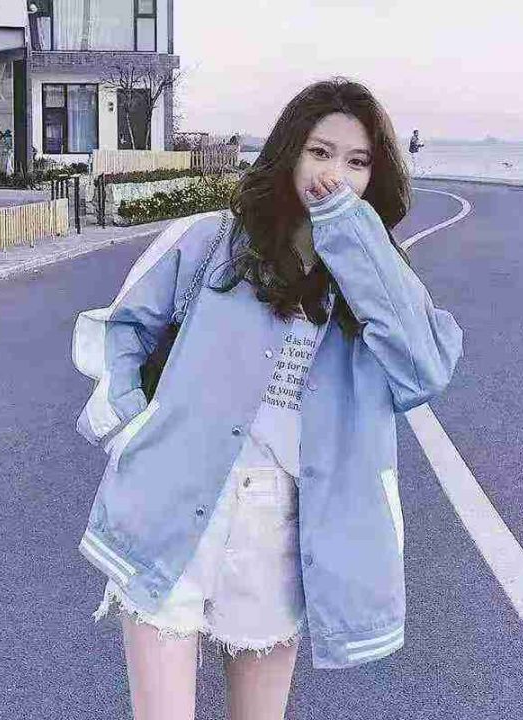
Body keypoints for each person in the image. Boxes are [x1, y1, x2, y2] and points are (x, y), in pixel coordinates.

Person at [72, 76, 463, 719]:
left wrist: (351, 237)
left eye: (357, 161)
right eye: (320, 151)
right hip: (174, 500)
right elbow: (122, 328)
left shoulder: (378, 284)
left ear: (376, 176)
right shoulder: (212, 242)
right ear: (289, 152)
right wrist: (132, 430)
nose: (334, 174)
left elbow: (426, 371)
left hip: (279, 530)